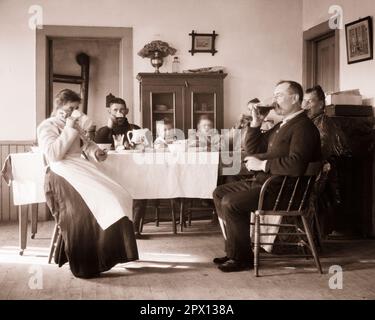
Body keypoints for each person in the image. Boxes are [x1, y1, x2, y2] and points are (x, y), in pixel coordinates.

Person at [212, 80, 321, 272]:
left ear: (295, 98)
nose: (274, 101)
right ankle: (237, 250)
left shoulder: (303, 127)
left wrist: (262, 164)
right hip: (267, 184)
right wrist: (256, 123)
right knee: (220, 193)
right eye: (275, 95)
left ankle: (241, 258)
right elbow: (254, 148)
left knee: (231, 202)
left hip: (284, 191)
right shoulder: (284, 124)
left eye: (279, 95)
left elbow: (296, 164)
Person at [38, 89, 138, 278]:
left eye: (77, 108)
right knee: (96, 203)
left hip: (80, 168)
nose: (75, 112)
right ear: (59, 108)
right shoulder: (47, 126)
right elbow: (53, 155)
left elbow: (87, 144)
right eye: (71, 108)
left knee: (120, 195)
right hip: (61, 171)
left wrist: (96, 152)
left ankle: (108, 255)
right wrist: (69, 128)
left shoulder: (75, 125)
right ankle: (87, 263)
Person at [95, 96, 148, 239]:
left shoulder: (135, 129)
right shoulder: (103, 130)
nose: (119, 113)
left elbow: (144, 148)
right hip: (111, 173)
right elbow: (97, 146)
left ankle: (134, 229)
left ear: (127, 111)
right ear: (109, 112)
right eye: (115, 110)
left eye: (122, 110)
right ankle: (113, 228)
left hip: (133, 172)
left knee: (141, 192)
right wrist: (109, 127)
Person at [302, 85, 351, 237]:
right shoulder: (307, 122)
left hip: (315, 175)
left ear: (321, 104)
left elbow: (318, 153)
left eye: (310, 101)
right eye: (304, 101)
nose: (306, 106)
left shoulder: (324, 124)